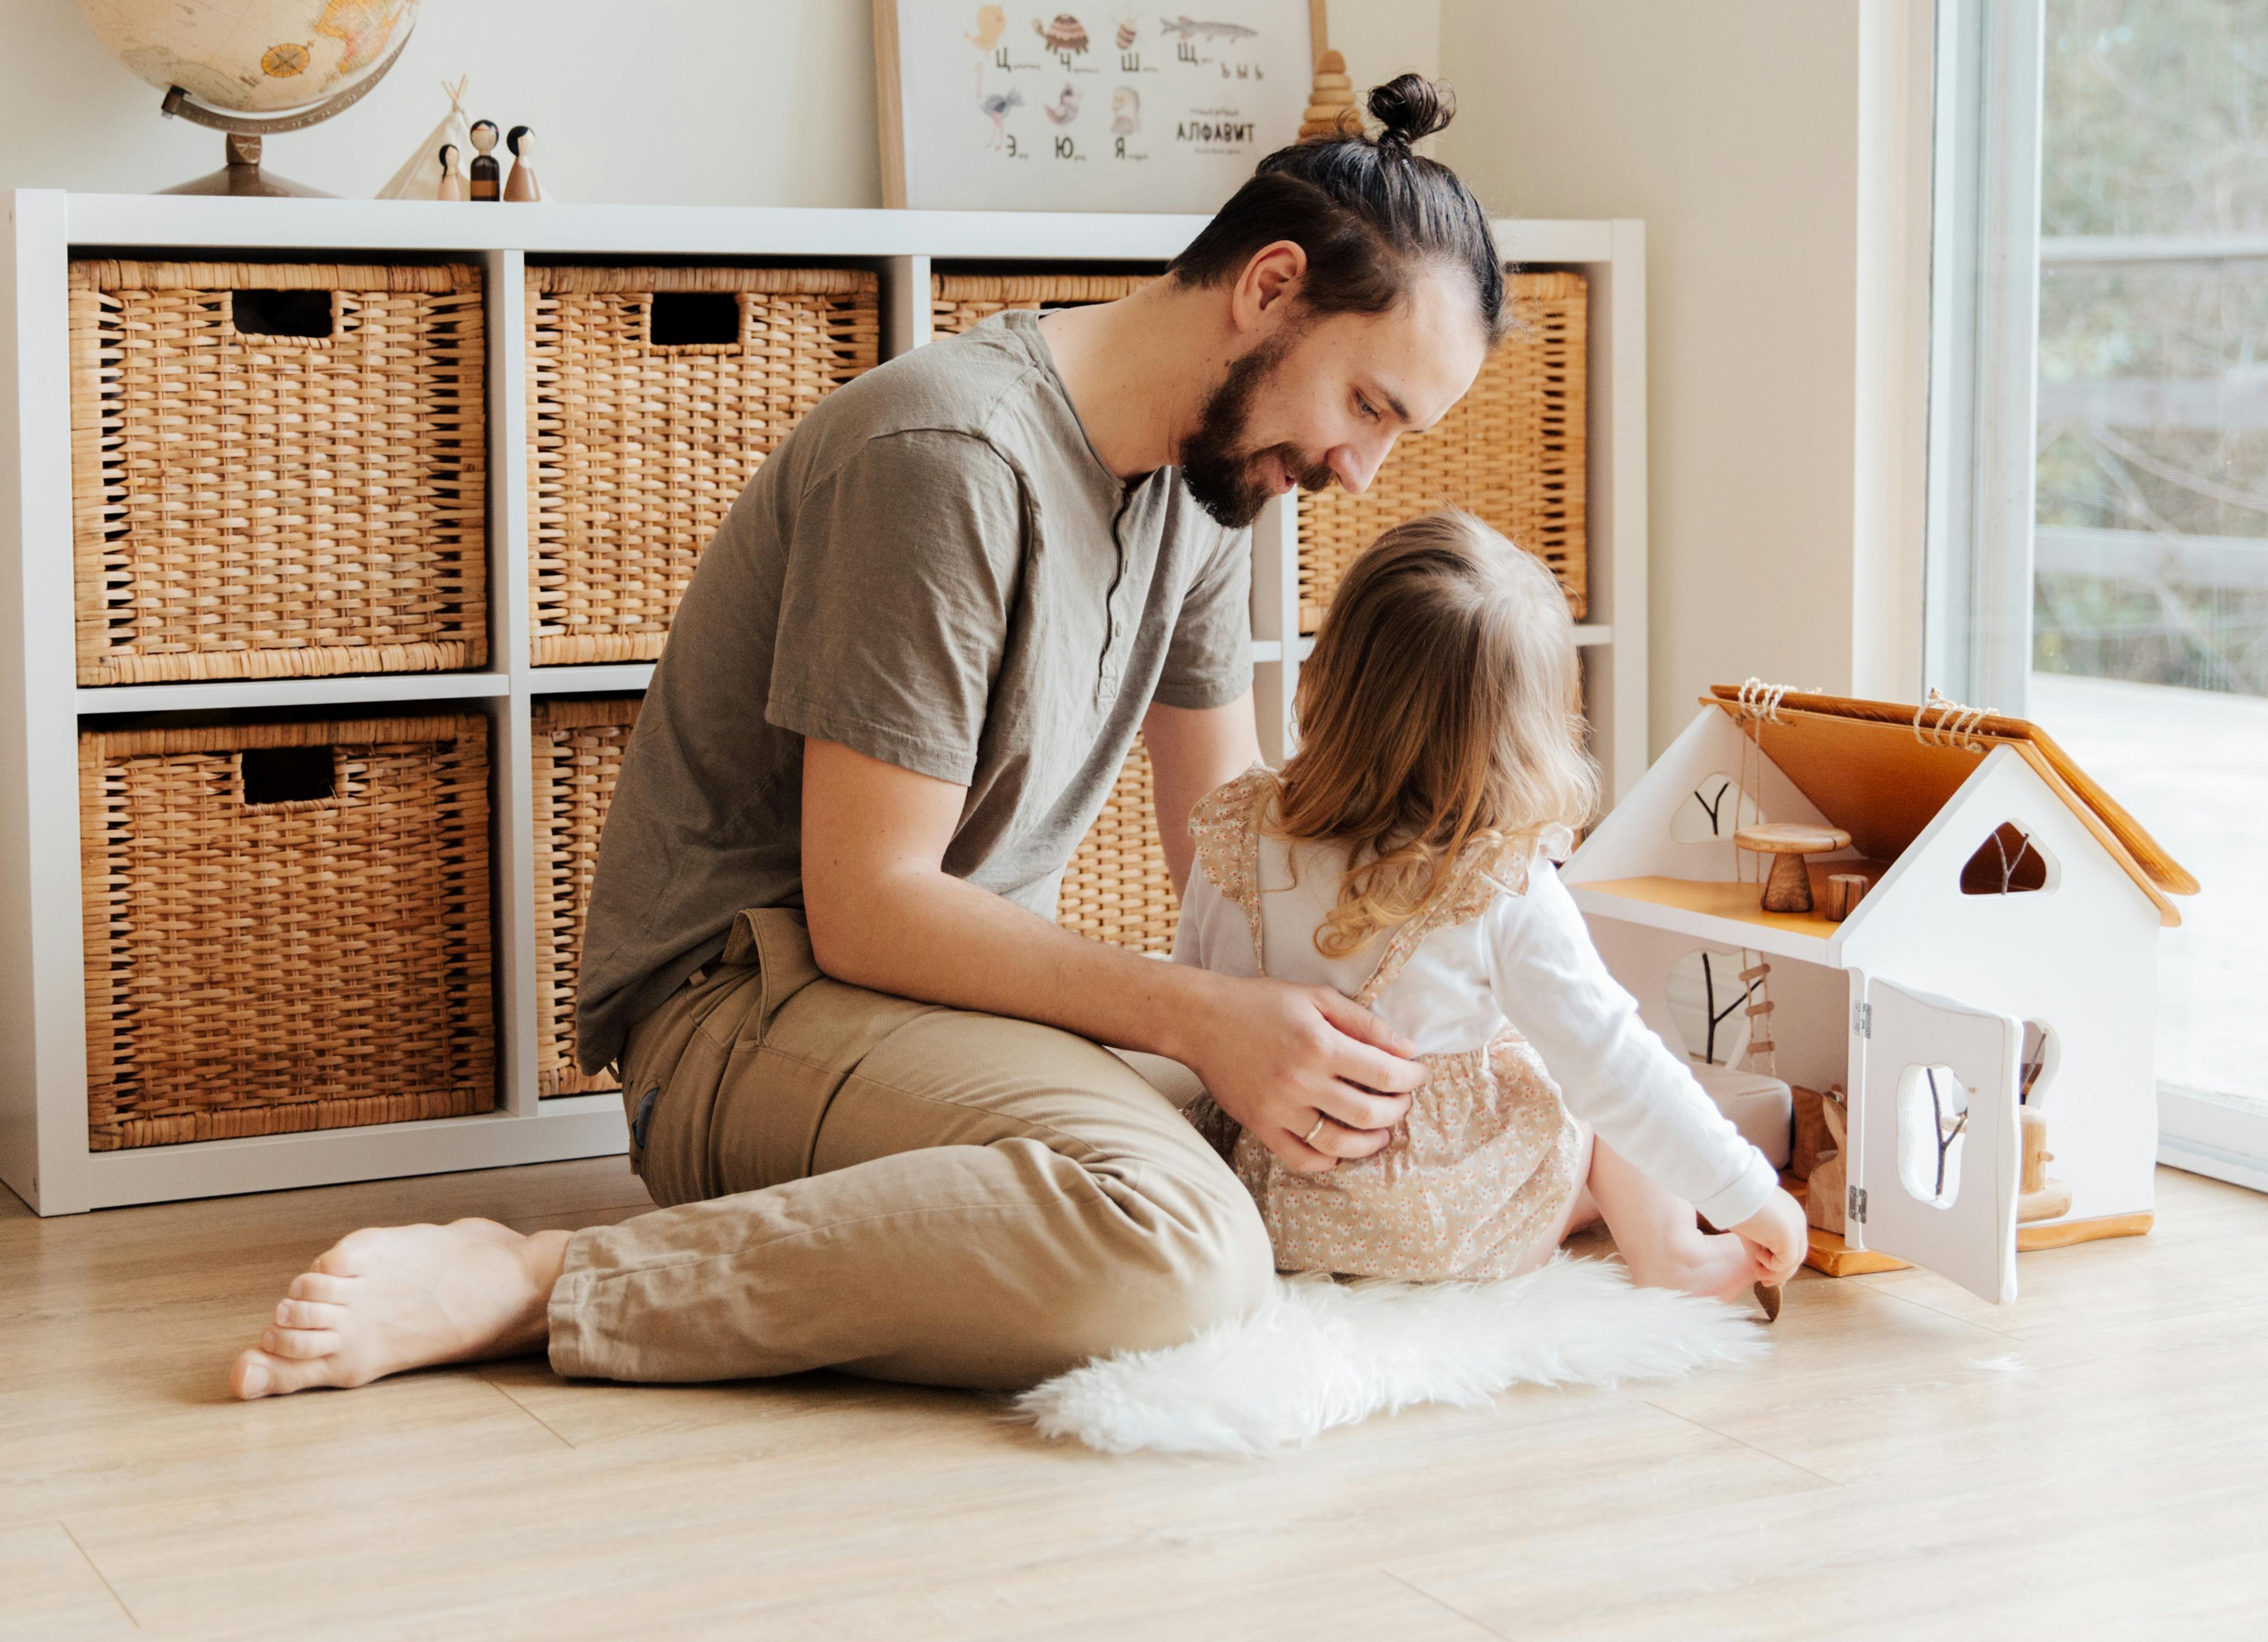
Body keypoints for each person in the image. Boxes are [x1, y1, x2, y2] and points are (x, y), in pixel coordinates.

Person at [232, 76, 1511, 1398]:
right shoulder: (949, 456)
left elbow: (1230, 848)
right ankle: (546, 1277)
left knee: (1356, 1124)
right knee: (1186, 1247)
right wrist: (1207, 1024)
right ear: (1270, 287)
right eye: (1368, 406)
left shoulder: (1203, 486)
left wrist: (1419, 995)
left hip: (951, 1012)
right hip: (746, 1007)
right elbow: (867, 906)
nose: (1360, 471)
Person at [1176, 511, 1808, 1302]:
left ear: (1328, 673)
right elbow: (1616, 1067)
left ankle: (1590, 1208)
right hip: (1439, 1226)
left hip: (1270, 1202)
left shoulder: (1237, 830)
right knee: (1585, 1074)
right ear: (1529, 736)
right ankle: (1673, 1251)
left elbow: (1192, 998)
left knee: (1549, 1071)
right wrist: (1753, 1194)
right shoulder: (1499, 882)